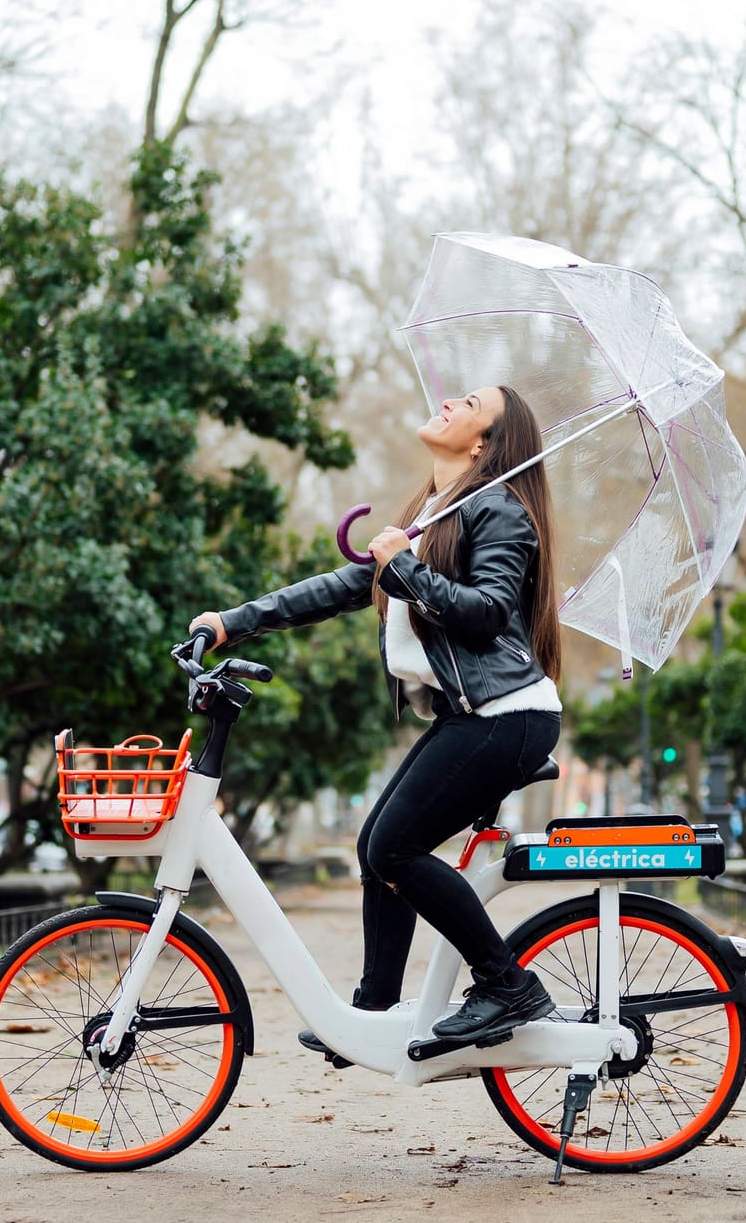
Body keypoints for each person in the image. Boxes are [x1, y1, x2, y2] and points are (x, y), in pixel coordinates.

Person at [189, 384, 562, 1051]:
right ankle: (372, 1012)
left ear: (484, 444)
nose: (449, 402)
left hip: (508, 715)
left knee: (396, 846)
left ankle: (509, 985)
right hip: (470, 716)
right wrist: (231, 623)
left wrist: (408, 569)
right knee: (374, 848)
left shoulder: (499, 511)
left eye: (469, 405)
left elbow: (484, 613)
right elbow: (345, 586)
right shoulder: (434, 513)